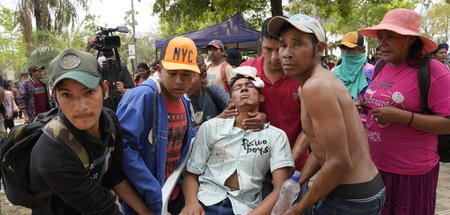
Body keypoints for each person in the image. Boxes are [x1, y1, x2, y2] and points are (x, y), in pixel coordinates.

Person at [267, 14, 385, 214]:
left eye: (297, 44)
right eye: (283, 45)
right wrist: (300, 180)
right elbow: (322, 145)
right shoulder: (317, 82)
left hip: (351, 199)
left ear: (319, 49)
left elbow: (339, 162)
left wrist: (298, 209)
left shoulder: (316, 86)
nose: (286, 53)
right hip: (363, 191)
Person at [29, 48, 152, 215]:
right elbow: (101, 208)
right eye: (67, 95)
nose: (80, 107)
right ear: (55, 97)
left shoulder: (110, 122)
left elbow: (114, 176)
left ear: (105, 90)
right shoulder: (53, 153)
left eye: (88, 91)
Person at [357, 8, 450, 215]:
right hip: (376, 166)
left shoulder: (432, 69)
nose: (382, 43)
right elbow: (383, 101)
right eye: (380, 37)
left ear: (409, 39)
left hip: (412, 171)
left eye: (390, 37)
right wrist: (364, 106)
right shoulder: (381, 65)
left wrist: (403, 117)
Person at [180, 68, 294, 215]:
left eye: (250, 86)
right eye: (238, 88)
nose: (244, 89)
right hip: (204, 203)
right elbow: (191, 174)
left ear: (261, 97)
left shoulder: (276, 136)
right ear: (231, 101)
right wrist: (191, 203)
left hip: (245, 208)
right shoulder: (211, 127)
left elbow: (281, 189)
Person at [116, 36, 199, 215]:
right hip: (144, 200)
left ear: (194, 75)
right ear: (160, 70)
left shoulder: (185, 101)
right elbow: (123, 148)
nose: (179, 80)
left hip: (174, 194)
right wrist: (154, 195)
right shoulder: (143, 97)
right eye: (172, 73)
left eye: (185, 74)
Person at [240, 17, 309, 197]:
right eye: (268, 49)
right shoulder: (245, 71)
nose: (274, 57)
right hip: (253, 166)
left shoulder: (302, 76)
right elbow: (234, 114)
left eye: (280, 50)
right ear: (260, 43)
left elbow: (309, 128)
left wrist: (287, 163)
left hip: (294, 167)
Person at [187, 56, 230, 128]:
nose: (185, 81)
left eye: (191, 76)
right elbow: (189, 132)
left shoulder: (214, 92)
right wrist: (219, 118)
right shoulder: (180, 101)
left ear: (203, 77)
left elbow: (233, 110)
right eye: (184, 76)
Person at [332, 31, 374, 101]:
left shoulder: (372, 71)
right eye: (343, 48)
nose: (346, 52)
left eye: (350, 48)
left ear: (363, 49)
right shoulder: (333, 73)